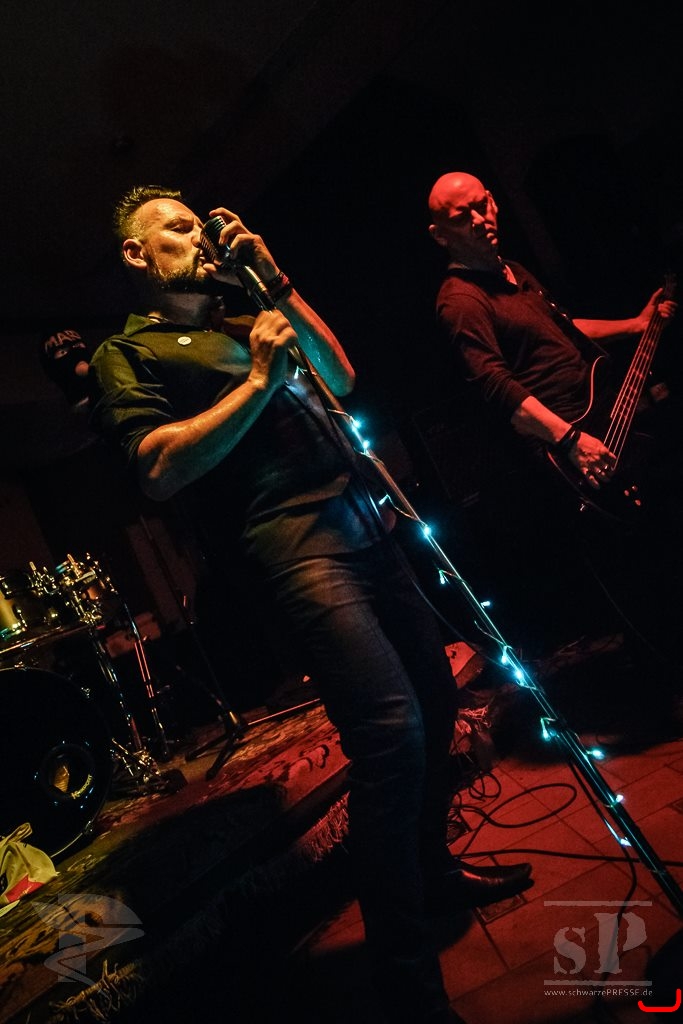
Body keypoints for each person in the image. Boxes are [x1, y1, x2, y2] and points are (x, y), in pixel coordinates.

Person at [87, 185, 534, 1024]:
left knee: (435, 702)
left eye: (199, 223)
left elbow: (340, 375)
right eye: (176, 229)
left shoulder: (242, 308)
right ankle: (406, 981)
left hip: (364, 524)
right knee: (389, 732)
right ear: (138, 254)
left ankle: (432, 872)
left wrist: (276, 279)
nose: (197, 236)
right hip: (294, 550)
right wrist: (259, 378)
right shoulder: (130, 351)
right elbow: (156, 469)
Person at [426, 171, 681, 711]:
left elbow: (562, 326)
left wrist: (634, 325)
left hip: (607, 423)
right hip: (571, 448)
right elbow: (495, 385)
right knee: (635, 566)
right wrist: (570, 440)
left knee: (661, 534)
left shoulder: (515, 273)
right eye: (463, 215)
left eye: (484, 204)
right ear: (440, 235)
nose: (481, 218)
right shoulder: (460, 300)